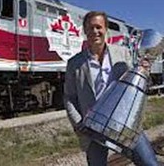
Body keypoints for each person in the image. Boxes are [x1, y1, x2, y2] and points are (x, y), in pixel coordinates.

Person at [63, 11, 159, 166]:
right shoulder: (74, 64)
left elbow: (139, 87)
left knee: (149, 162)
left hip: (125, 122)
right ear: (85, 31)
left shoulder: (124, 54)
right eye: (90, 28)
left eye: (98, 27)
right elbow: (69, 97)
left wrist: (144, 73)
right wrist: (78, 123)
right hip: (93, 128)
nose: (95, 31)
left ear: (105, 29)